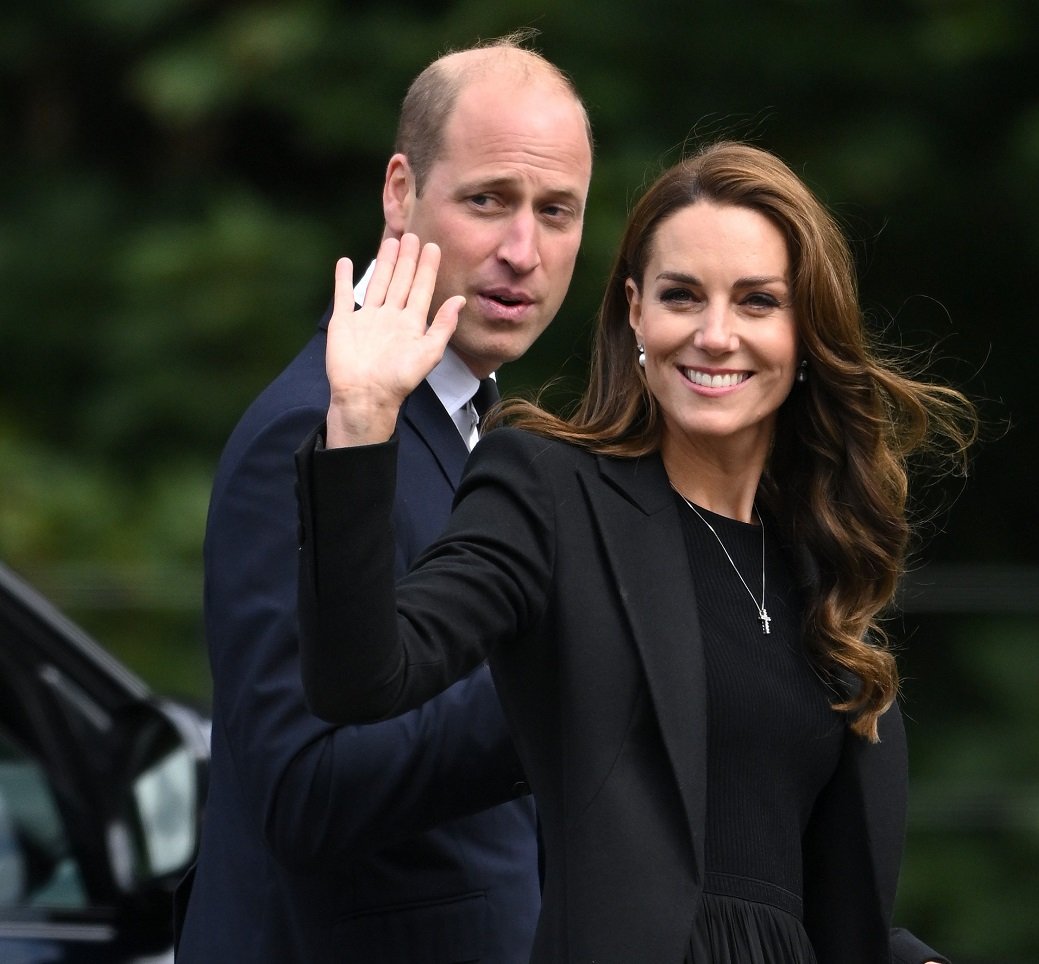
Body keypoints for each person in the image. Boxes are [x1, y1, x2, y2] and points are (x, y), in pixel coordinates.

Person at [294, 141, 974, 963]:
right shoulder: (551, 490)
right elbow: (363, 676)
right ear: (634, 314)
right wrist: (361, 422)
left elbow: (832, 914)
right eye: (682, 296)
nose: (715, 335)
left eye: (757, 302)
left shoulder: (821, 571)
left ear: (805, 333)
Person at [175, 34, 593, 964]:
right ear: (400, 190)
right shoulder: (311, 431)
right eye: (489, 200)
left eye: (557, 211)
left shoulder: (487, 429)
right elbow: (304, 790)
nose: (524, 251)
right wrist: (566, 680)